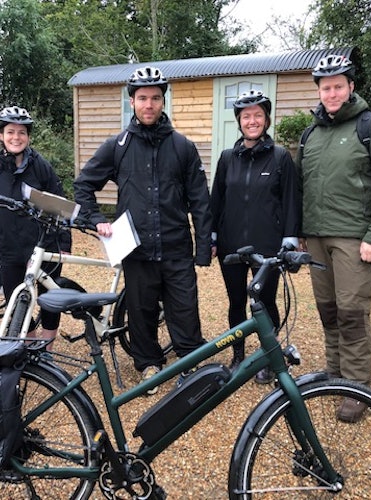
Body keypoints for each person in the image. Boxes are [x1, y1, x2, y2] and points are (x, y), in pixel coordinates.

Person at [74, 66, 212, 394]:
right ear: (132, 102)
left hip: (176, 246)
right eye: (142, 98)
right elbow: (83, 185)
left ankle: (188, 363)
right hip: (135, 248)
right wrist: (96, 219)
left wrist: (203, 247)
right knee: (141, 310)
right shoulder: (117, 145)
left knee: (184, 308)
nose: (148, 104)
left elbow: (200, 201)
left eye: (155, 98)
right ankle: (149, 363)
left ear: (163, 102)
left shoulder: (183, 147)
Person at [296, 54, 371, 421]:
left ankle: (357, 386)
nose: (331, 93)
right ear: (319, 91)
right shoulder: (310, 134)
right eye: (325, 87)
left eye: (338, 86)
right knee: (328, 309)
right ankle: (336, 372)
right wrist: (299, 232)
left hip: (354, 238)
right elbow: (302, 185)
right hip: (315, 237)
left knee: (352, 312)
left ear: (351, 87)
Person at [210, 90, 300, 384]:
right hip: (231, 242)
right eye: (246, 116)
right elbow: (217, 200)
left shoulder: (280, 157)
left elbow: (290, 200)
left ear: (266, 119)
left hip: (267, 244)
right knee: (236, 301)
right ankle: (238, 355)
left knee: (264, 301)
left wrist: (290, 237)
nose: (252, 121)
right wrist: (212, 235)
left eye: (258, 115)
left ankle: (267, 357)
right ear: (239, 121)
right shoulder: (227, 158)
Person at [0, 106, 72, 350]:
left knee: (50, 301)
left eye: (22, 132)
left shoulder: (41, 167)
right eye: (10, 132)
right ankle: (31, 345)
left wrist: (64, 245)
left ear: (28, 136)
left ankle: (48, 350)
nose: (16, 138)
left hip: (43, 245)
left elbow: (60, 206)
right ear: (2, 135)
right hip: (9, 249)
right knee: (15, 299)